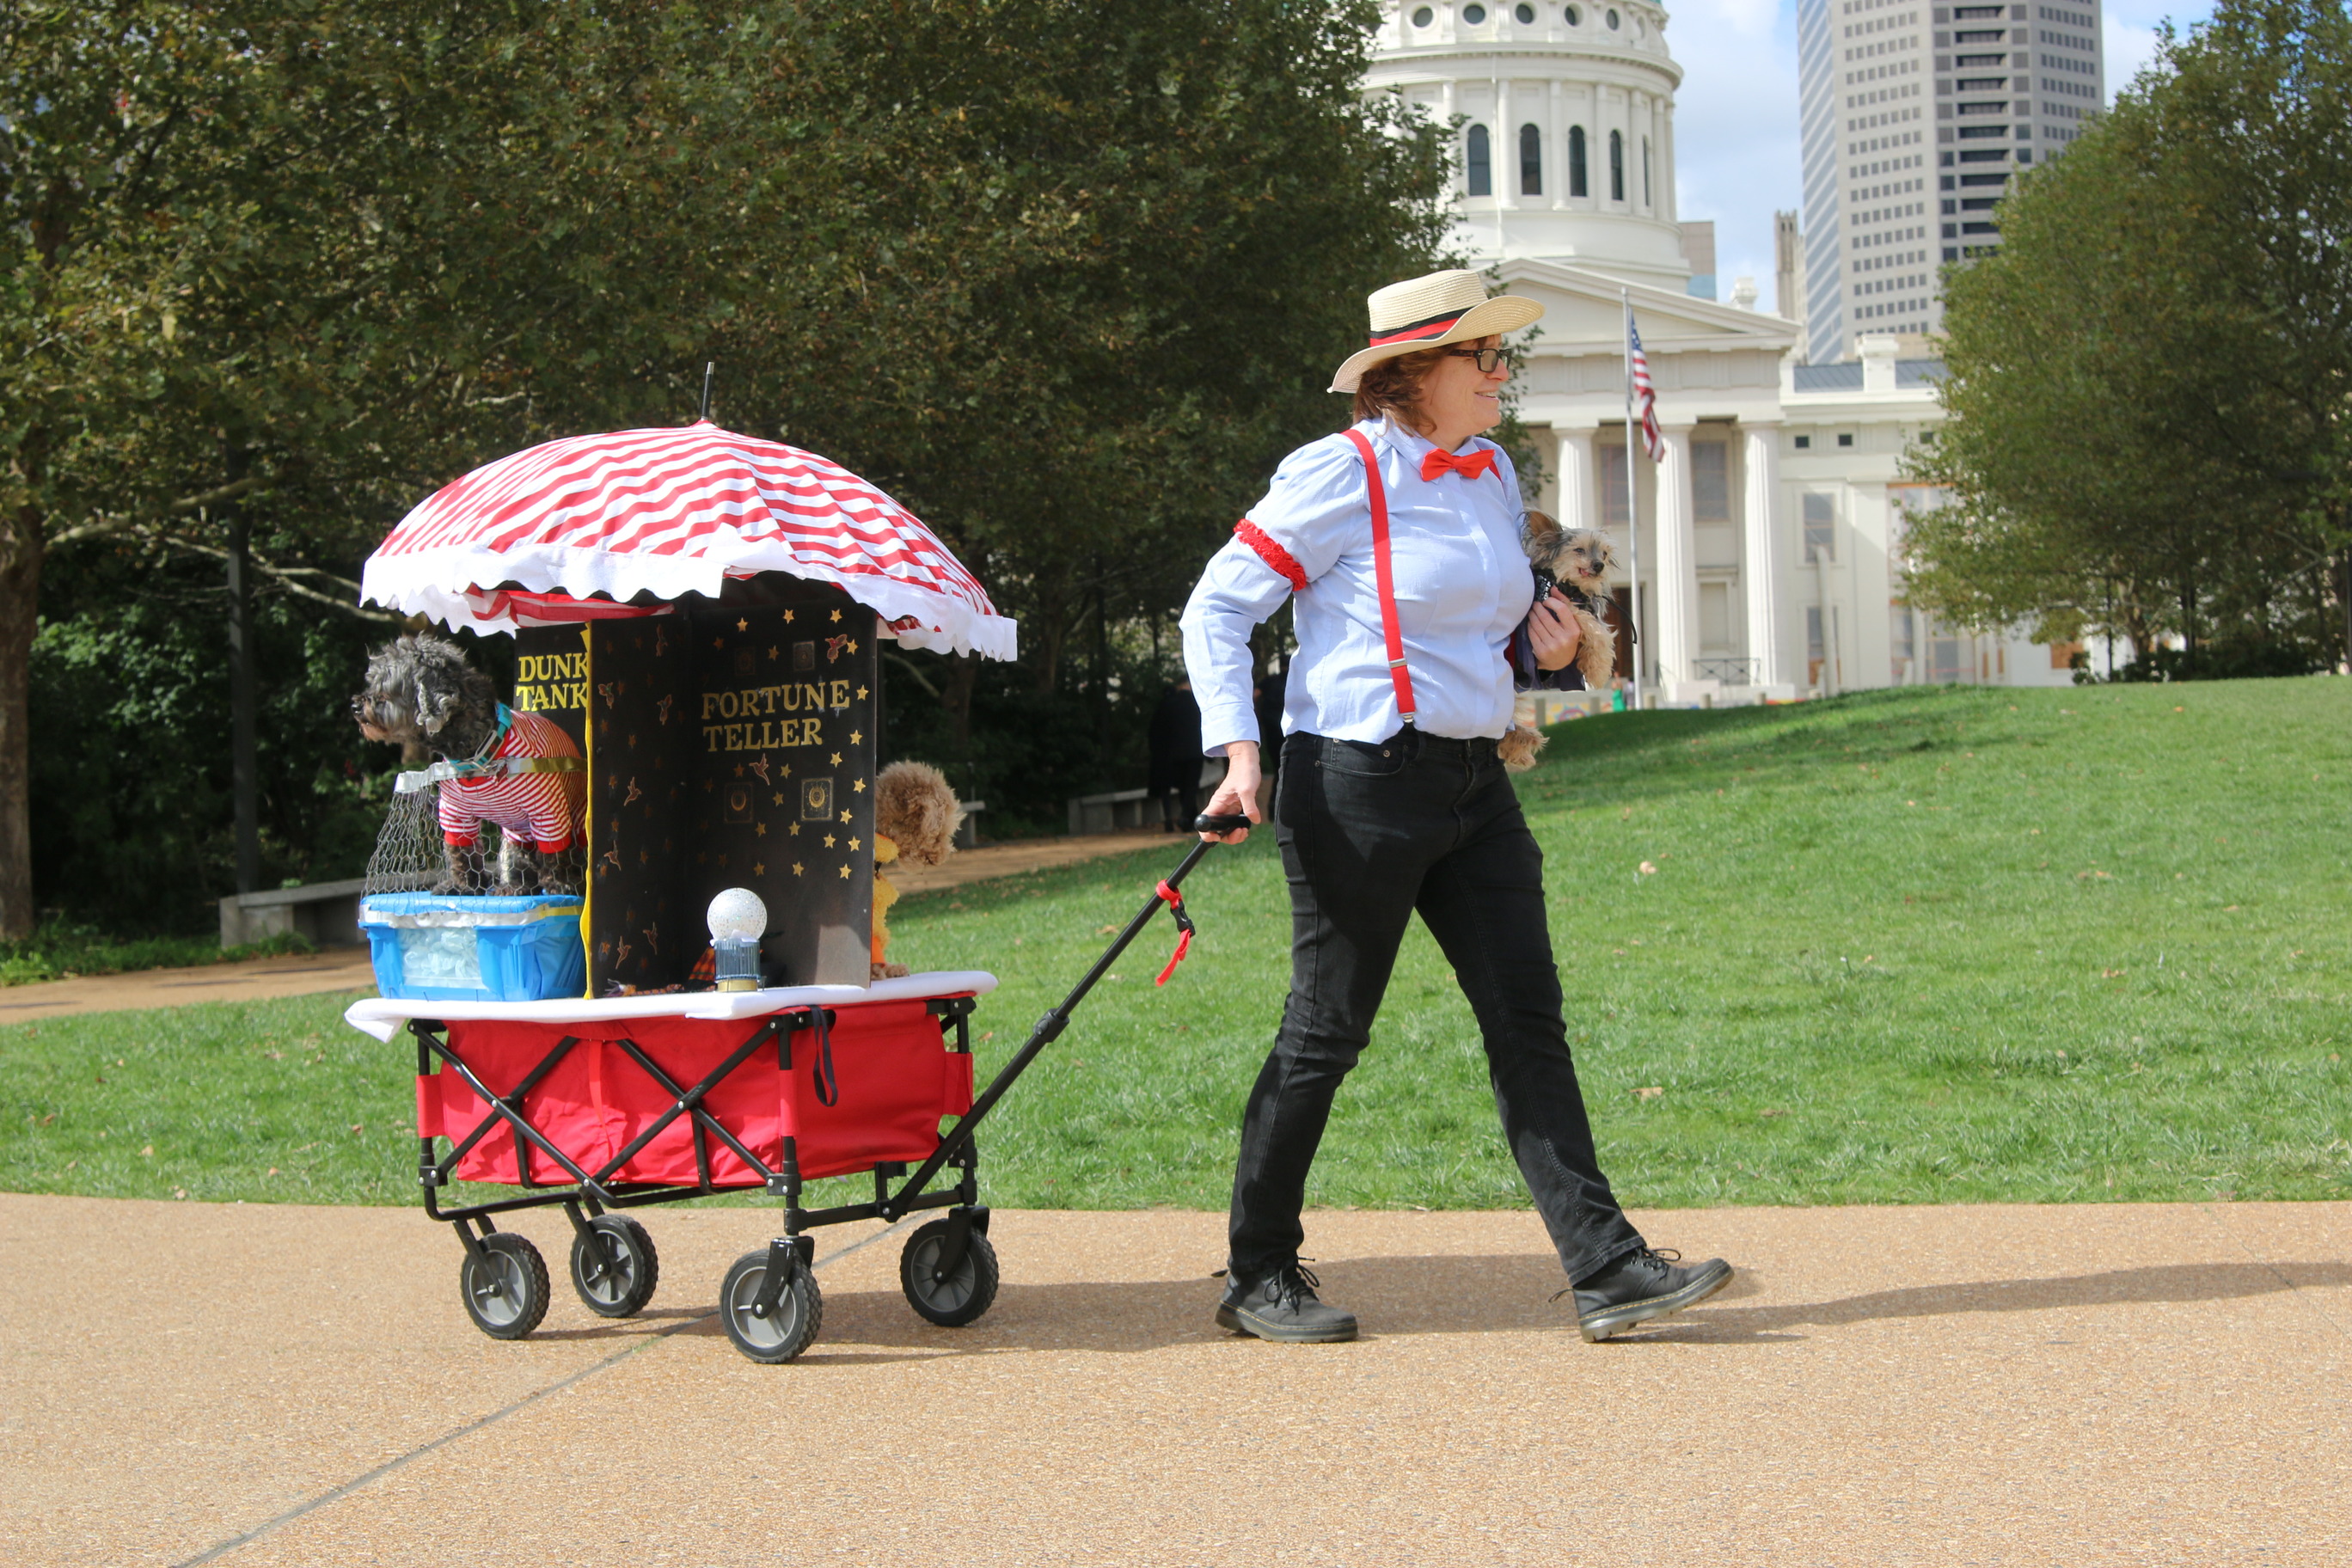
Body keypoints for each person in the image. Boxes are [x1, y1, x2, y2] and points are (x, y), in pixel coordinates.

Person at [1179, 268, 1732, 1344]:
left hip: (1476, 785)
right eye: (1478, 355)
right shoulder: (1337, 473)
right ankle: (1258, 1272)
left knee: (1528, 1020)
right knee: (1326, 1032)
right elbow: (1216, 608)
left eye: (1496, 352)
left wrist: (1547, 648)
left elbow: (1492, 629)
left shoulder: (1486, 474)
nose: (1498, 370)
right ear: (1409, 376)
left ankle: (1607, 1266)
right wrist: (1237, 752)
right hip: (1359, 786)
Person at [1146, 677, 1204, 832]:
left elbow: (1159, 731)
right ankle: (1185, 817)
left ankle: (1185, 818)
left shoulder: (1170, 704)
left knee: (1183, 786)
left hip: (1175, 753)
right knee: (1191, 786)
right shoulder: (1199, 702)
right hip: (1196, 752)